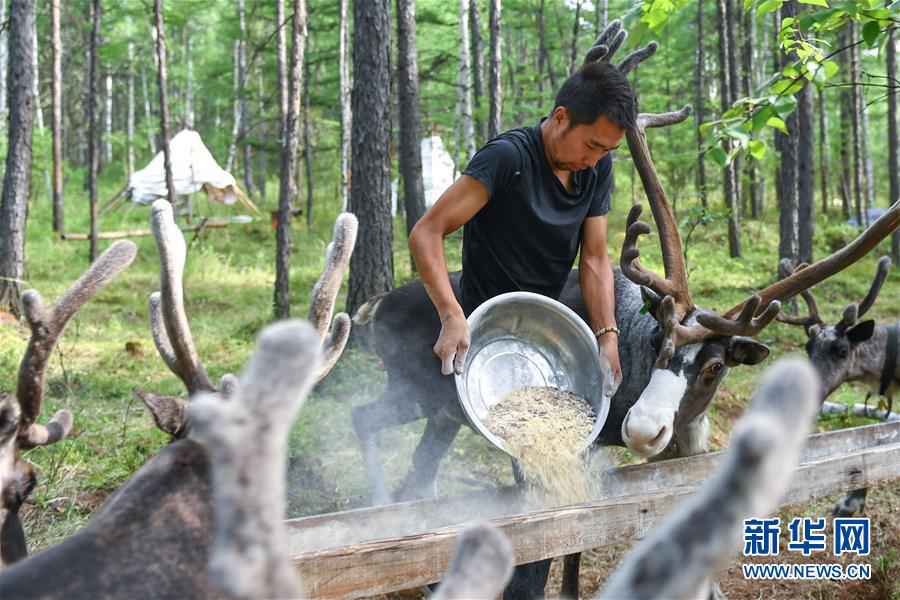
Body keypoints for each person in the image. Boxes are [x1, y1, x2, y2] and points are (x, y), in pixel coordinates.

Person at [409, 59, 635, 389]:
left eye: (607, 150)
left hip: (538, 323)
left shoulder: (596, 169)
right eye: (592, 145)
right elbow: (426, 232)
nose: (594, 160)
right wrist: (450, 313)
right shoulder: (508, 158)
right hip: (479, 323)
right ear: (561, 117)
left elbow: (595, 257)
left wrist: (608, 336)